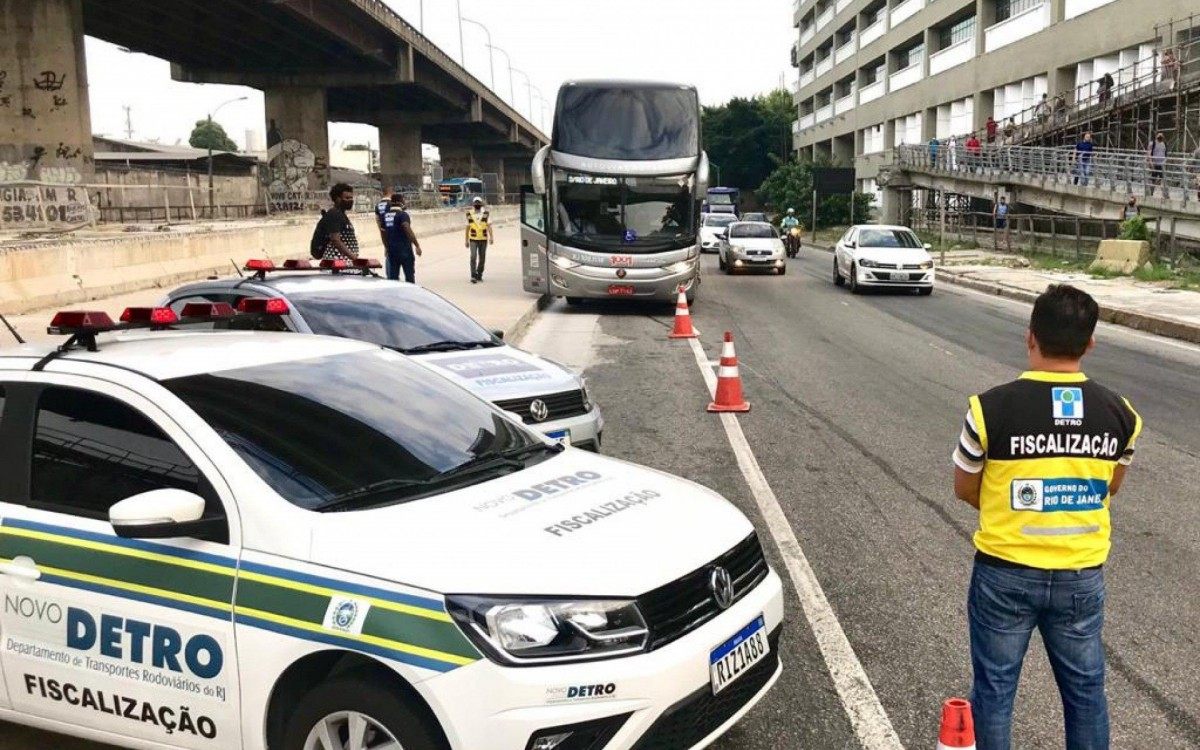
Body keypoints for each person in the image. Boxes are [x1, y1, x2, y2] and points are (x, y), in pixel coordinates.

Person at [953, 284, 1142, 750]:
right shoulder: (1122, 414)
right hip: (1081, 577)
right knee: (1085, 695)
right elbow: (1109, 487)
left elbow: (964, 487)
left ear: (1030, 336)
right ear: (1091, 343)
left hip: (1005, 574)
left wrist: (1014, 506)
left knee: (995, 694)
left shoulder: (988, 409)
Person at [382, 193, 422, 283]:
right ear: (400, 202)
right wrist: (417, 245)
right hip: (405, 250)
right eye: (404, 200)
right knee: (409, 277)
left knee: (393, 278)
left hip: (392, 251)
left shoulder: (385, 216)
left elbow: (383, 233)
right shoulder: (403, 215)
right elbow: (406, 227)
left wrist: (386, 246)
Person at [314, 183, 359, 261]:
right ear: (338, 199)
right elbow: (335, 239)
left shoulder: (341, 215)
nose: (351, 200)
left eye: (351, 198)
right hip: (337, 265)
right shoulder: (334, 214)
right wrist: (354, 258)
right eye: (347, 198)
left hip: (345, 264)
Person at [465, 196, 493, 283]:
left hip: (483, 239)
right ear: (473, 204)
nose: (477, 204)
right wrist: (466, 240)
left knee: (482, 258)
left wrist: (491, 237)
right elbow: (467, 228)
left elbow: (489, 226)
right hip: (473, 239)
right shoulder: (469, 214)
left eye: (478, 203)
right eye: (475, 203)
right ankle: (473, 275)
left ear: (481, 204)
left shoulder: (485, 213)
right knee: (473, 257)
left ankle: (479, 274)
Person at [1148, 132, 1168, 196]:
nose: (1160, 137)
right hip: (1155, 164)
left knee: (1163, 180)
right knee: (1153, 180)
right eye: (1159, 136)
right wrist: (1151, 163)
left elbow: (1166, 155)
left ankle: (1164, 195)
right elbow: (1149, 154)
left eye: (1161, 137)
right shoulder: (1152, 143)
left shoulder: (1164, 144)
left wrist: (1165, 162)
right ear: (1156, 136)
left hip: (1162, 165)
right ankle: (1151, 193)